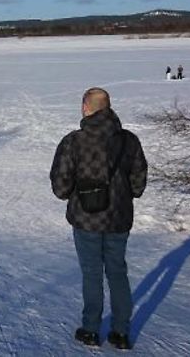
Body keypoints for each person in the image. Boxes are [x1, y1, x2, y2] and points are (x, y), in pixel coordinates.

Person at [50, 87, 148, 350]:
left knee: (92, 273)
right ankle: (121, 332)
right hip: (119, 219)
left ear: (86, 107)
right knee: (117, 272)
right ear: (108, 108)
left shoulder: (74, 141)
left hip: (86, 220)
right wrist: (123, 195)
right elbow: (138, 183)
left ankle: (91, 330)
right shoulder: (129, 141)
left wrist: (78, 192)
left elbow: (60, 187)